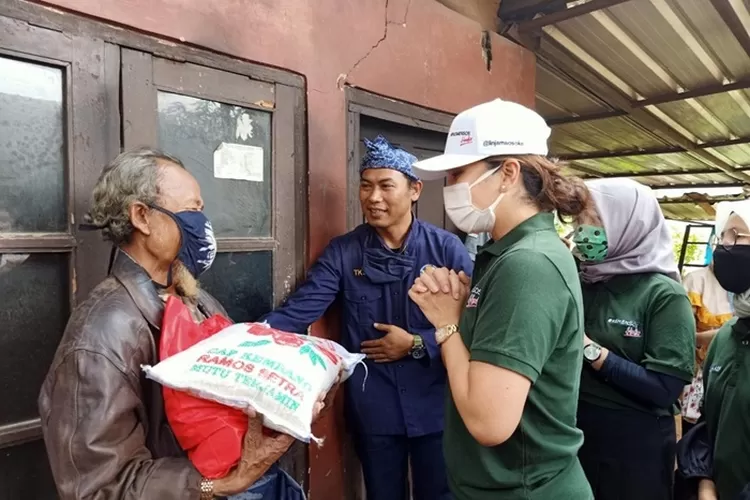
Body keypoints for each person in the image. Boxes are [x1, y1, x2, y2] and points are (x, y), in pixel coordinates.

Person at [38, 148, 323, 500]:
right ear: (142, 216)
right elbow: (99, 487)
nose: (203, 226)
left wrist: (288, 397)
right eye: (191, 211)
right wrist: (218, 484)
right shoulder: (103, 331)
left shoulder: (192, 296)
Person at [260, 135, 472, 500]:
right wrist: (249, 337)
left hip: (435, 403)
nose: (373, 198)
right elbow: (303, 308)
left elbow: (474, 321)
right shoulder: (344, 252)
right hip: (375, 407)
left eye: (386, 186)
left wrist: (417, 343)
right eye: (365, 186)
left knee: (440, 494)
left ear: (415, 190)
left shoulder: (445, 249)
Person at [407, 98, 593, 499]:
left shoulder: (527, 265)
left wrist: (446, 323)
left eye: (458, 172)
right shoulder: (504, 253)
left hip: (523, 489)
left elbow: (489, 422)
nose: (450, 186)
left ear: (508, 172)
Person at [572, 178, 695, 500]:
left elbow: (664, 388)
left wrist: (590, 351)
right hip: (575, 427)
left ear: (628, 223)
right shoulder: (580, 279)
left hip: (634, 440)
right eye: (578, 221)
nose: (583, 231)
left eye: (595, 221)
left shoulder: (662, 294)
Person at [695, 200, 750, 500]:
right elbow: (710, 423)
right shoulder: (728, 335)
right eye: (724, 235)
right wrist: (706, 484)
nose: (726, 247)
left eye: (738, 236)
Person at [680, 259, 732, 435]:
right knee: (697, 435)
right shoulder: (696, 281)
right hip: (703, 372)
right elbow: (682, 332)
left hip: (737, 374)